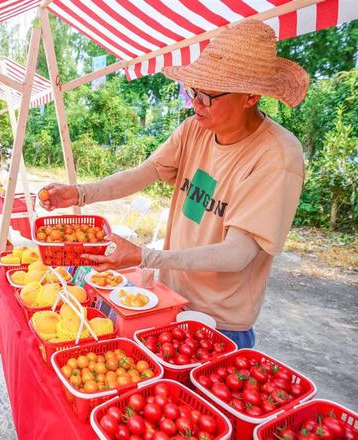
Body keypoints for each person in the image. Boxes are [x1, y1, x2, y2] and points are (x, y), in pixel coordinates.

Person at [39, 19, 309, 349]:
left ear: (251, 96)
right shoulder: (195, 129)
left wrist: (144, 256)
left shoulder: (277, 156)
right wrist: (81, 192)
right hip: (169, 299)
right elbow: (145, 172)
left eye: (208, 95)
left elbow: (237, 254)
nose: (196, 103)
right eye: (193, 91)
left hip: (220, 323)